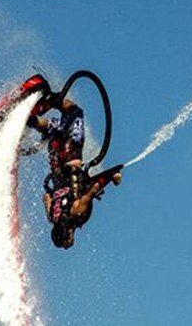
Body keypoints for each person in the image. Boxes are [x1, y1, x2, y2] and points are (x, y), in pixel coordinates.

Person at [27, 91, 122, 249]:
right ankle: (31, 120)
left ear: (69, 233)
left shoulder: (77, 213)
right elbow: (46, 197)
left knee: (75, 112)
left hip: (71, 156)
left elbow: (94, 188)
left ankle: (52, 99)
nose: (71, 240)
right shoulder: (52, 217)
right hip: (56, 163)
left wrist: (114, 176)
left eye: (69, 240)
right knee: (56, 130)